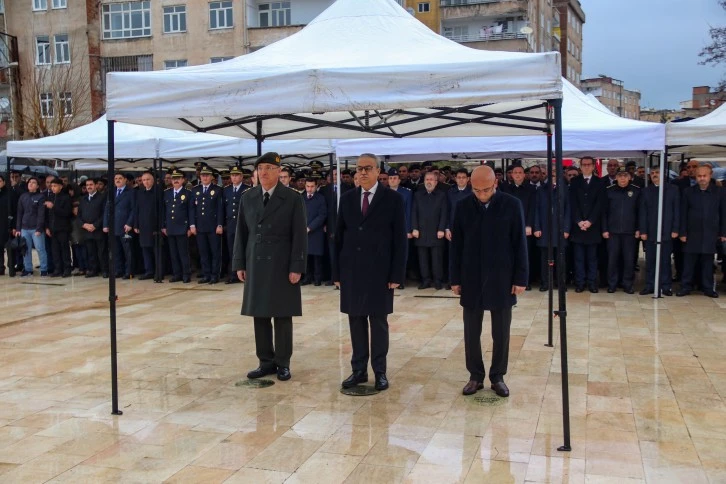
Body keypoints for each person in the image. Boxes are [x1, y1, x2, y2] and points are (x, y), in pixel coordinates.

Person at [450, 166, 527, 398]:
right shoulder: (463, 206)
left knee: (501, 331)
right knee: (471, 331)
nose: (481, 194)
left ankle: (498, 376)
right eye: (476, 190)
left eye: (485, 189)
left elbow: (519, 244)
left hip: (502, 276)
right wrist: (454, 278)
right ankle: (475, 375)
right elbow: (456, 246)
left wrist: (520, 278)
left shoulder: (512, 205)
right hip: (471, 276)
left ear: (495, 184)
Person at [334, 153, 407, 391]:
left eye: (368, 168)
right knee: (355, 321)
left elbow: (399, 240)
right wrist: (336, 272)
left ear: (378, 172)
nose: (362, 172)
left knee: (378, 322)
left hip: (380, 272)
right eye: (359, 168)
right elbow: (338, 237)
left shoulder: (392, 200)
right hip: (352, 271)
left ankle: (380, 371)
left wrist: (396, 274)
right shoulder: (346, 199)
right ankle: (358, 370)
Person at [233, 152, 307, 382]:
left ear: (278, 171)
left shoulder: (293, 198)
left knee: (282, 314)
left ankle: (283, 362)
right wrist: (239, 263)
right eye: (260, 168)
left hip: (282, 263)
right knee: (260, 314)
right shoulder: (248, 197)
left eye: (268, 168)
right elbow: (241, 234)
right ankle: (265, 361)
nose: (263, 172)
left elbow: (299, 236)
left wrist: (297, 266)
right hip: (255, 261)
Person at [677, 165, 726, 297]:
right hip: (691, 233)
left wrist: (723, 233)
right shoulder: (688, 192)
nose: (702, 178)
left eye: (705, 176)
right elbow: (683, 214)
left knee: (708, 263)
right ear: (695, 177)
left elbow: (723, 213)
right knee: (688, 263)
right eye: (699, 176)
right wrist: (682, 232)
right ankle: (686, 287)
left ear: (710, 176)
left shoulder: (720, 192)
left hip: (711, 233)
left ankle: (708, 288)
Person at [639, 167, 679, 296]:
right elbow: (642, 212)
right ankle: (650, 285)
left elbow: (677, 211)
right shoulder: (646, 191)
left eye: (657, 173)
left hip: (667, 230)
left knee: (665, 260)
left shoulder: (673, 190)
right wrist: (643, 231)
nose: (655, 175)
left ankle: (666, 286)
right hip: (650, 231)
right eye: (652, 173)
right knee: (650, 261)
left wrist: (675, 229)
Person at [569, 156, 605, 293]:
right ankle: (580, 283)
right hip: (578, 227)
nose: (586, 167)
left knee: (592, 258)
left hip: (593, 226)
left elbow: (600, 204)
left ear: (593, 166)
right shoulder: (574, 182)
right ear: (580, 166)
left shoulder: (600, 182)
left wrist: (590, 221)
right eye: (584, 165)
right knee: (578, 258)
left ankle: (592, 283)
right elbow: (573, 203)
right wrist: (579, 221)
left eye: (589, 164)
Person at [602, 167, 641, 294]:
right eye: (620, 175)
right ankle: (612, 283)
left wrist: (638, 228)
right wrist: (605, 229)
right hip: (612, 232)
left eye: (625, 175)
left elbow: (640, 212)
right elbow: (604, 213)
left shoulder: (636, 191)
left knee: (629, 260)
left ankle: (627, 284)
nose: (623, 178)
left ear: (630, 177)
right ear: (616, 177)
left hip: (630, 232)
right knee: (612, 259)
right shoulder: (609, 191)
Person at [501, 165, 537, 289]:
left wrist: (529, 225)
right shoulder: (506, 188)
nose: (517, 175)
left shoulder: (531, 189)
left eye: (520, 172)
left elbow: (533, 208)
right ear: (511, 175)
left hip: (525, 226)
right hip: (509, 226)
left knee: (526, 254)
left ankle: (526, 281)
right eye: (515, 172)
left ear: (524, 174)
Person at [533, 171, 570, 291]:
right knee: (545, 260)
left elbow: (568, 210)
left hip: (559, 229)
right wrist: (537, 227)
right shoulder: (541, 190)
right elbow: (536, 210)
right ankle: (545, 283)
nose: (553, 177)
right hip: (545, 229)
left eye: (555, 174)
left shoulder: (564, 189)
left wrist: (566, 228)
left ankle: (560, 284)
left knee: (560, 260)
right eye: (551, 175)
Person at [412, 171, 448, 290]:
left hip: (436, 231)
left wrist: (442, 229)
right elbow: (414, 213)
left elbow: (444, 213)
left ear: (436, 182)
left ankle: (437, 280)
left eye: (431, 179)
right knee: (423, 259)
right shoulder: (417, 195)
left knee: (437, 258)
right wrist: (414, 228)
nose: (429, 182)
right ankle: (425, 280)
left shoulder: (442, 195)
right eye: (427, 179)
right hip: (421, 232)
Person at [190, 166, 224, 284]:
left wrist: (220, 224)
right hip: (200, 226)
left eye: (207, 175)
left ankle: (215, 275)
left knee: (215, 252)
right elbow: (192, 209)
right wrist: (192, 225)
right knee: (203, 252)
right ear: (200, 177)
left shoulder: (218, 190)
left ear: (211, 177)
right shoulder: (195, 190)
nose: (205, 177)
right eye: (203, 175)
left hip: (213, 226)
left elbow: (220, 209)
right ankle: (206, 274)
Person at [163, 171, 194, 283]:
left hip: (182, 227)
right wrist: (163, 226)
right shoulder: (167, 193)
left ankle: (186, 274)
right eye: (174, 178)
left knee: (183, 253)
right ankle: (177, 274)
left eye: (178, 178)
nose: (176, 180)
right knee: (173, 253)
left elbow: (190, 211)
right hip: (170, 228)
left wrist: (191, 226)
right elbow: (164, 211)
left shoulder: (188, 193)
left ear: (183, 180)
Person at [103, 173, 136, 279]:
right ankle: (118, 270)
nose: (117, 180)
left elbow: (134, 209)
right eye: (116, 178)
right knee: (116, 251)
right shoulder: (111, 192)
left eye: (120, 178)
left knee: (128, 251)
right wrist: (105, 224)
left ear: (125, 180)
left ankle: (129, 271)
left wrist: (130, 223)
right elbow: (107, 209)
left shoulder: (131, 192)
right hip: (113, 226)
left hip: (125, 226)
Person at [15, 177, 48, 277]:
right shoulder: (23, 196)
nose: (31, 184)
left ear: (37, 186)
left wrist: (39, 228)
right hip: (24, 228)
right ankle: (28, 269)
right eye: (30, 182)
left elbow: (41, 214)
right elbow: (19, 213)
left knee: (40, 248)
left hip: (35, 228)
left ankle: (44, 269)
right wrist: (18, 228)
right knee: (26, 249)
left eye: (33, 183)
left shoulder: (41, 197)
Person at [221, 166, 249, 284]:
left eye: (237, 175)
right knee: (232, 250)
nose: (234, 177)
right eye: (232, 175)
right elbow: (222, 209)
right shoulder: (226, 190)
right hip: (231, 225)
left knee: (244, 249)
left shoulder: (247, 189)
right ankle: (233, 275)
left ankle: (246, 273)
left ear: (242, 177)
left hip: (243, 225)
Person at [134, 171, 162, 280]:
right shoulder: (140, 192)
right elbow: (137, 209)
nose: (146, 182)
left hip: (154, 225)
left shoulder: (158, 192)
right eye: (144, 180)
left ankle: (158, 271)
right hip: (143, 225)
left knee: (156, 250)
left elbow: (161, 210)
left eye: (148, 179)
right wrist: (136, 224)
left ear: (153, 180)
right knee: (145, 249)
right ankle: (149, 270)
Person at [78, 178, 108, 278]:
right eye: (87, 185)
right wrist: (84, 225)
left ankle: (104, 270)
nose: (89, 187)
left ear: (96, 185)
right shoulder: (83, 199)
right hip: (87, 230)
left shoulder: (102, 197)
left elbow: (105, 214)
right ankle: (93, 270)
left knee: (102, 252)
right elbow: (79, 215)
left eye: (91, 184)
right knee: (90, 252)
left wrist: (95, 225)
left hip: (98, 229)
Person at [45, 178, 73, 278]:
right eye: (52, 186)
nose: (53, 188)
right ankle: (58, 269)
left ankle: (67, 269)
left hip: (63, 228)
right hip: (52, 228)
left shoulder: (66, 198)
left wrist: (54, 207)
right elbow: (48, 215)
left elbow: (67, 213)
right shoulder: (51, 197)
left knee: (64, 249)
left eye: (55, 186)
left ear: (60, 186)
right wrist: (47, 227)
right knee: (55, 250)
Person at [301, 178, 327, 286]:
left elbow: (322, 215)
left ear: (316, 186)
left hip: (316, 232)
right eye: (308, 186)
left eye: (312, 186)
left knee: (317, 257)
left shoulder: (320, 198)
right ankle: (307, 278)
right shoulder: (301, 198)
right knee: (306, 257)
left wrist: (310, 227)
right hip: (303, 231)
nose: (310, 189)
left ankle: (317, 278)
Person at [445, 168, 471, 243]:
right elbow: (447, 211)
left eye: (463, 177)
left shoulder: (473, 192)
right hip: (453, 228)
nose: (461, 180)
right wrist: (447, 228)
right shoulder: (450, 192)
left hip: (469, 228)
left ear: (468, 179)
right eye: (459, 177)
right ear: (455, 179)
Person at [0, 175, 18, 276]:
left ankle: (12, 267)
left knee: (10, 248)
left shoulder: (10, 194)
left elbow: (15, 211)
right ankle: (0, 268)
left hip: (8, 225)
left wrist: (14, 226)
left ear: (3, 182)